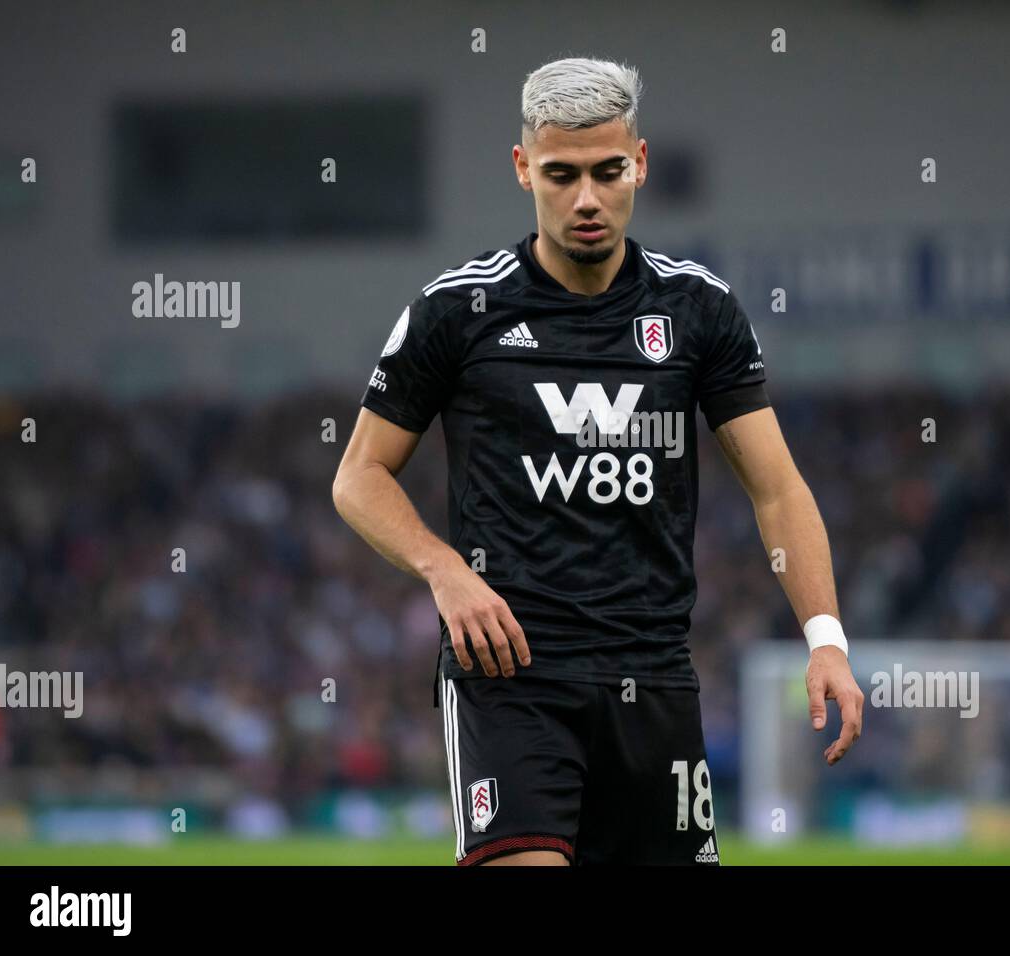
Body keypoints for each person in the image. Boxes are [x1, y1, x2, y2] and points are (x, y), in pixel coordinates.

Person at [333, 56, 862, 865]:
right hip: (511, 676)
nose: (587, 199)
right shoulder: (457, 311)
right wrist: (445, 572)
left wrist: (826, 639)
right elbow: (358, 476)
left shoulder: (698, 312)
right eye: (561, 174)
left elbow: (778, 489)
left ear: (640, 163)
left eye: (609, 172)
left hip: (653, 678)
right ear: (522, 170)